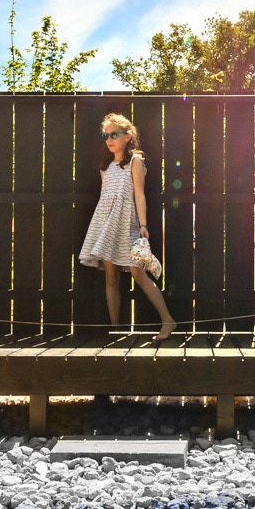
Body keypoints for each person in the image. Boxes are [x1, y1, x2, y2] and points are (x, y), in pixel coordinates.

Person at [78, 113, 176, 340]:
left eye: (114, 134)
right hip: (106, 225)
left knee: (138, 273)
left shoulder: (135, 161)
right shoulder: (105, 167)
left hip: (127, 224)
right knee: (110, 279)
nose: (109, 139)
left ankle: (168, 320)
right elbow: (106, 199)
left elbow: (139, 195)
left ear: (128, 136)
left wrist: (143, 224)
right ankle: (116, 330)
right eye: (105, 135)